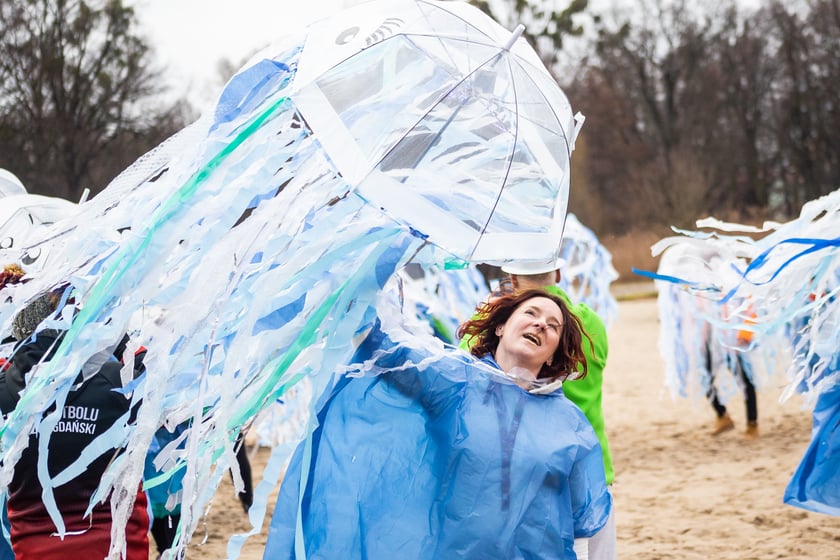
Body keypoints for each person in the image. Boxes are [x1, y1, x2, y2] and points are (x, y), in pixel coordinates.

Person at [264, 288, 611, 559]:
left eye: (553, 326)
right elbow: (381, 347)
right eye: (531, 314)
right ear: (502, 326)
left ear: (552, 352)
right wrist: (374, 273)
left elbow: (585, 521)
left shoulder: (570, 426)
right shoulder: (455, 383)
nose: (540, 324)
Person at [0, 289, 150, 559]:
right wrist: (114, 335)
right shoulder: (124, 383)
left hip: (37, 551)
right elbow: (161, 367)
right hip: (116, 549)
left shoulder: (8, 391)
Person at [488, 259, 616, 560]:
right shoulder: (591, 323)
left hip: (524, 474)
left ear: (512, 278)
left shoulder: (505, 324)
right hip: (594, 469)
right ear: (558, 274)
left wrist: (496, 312)